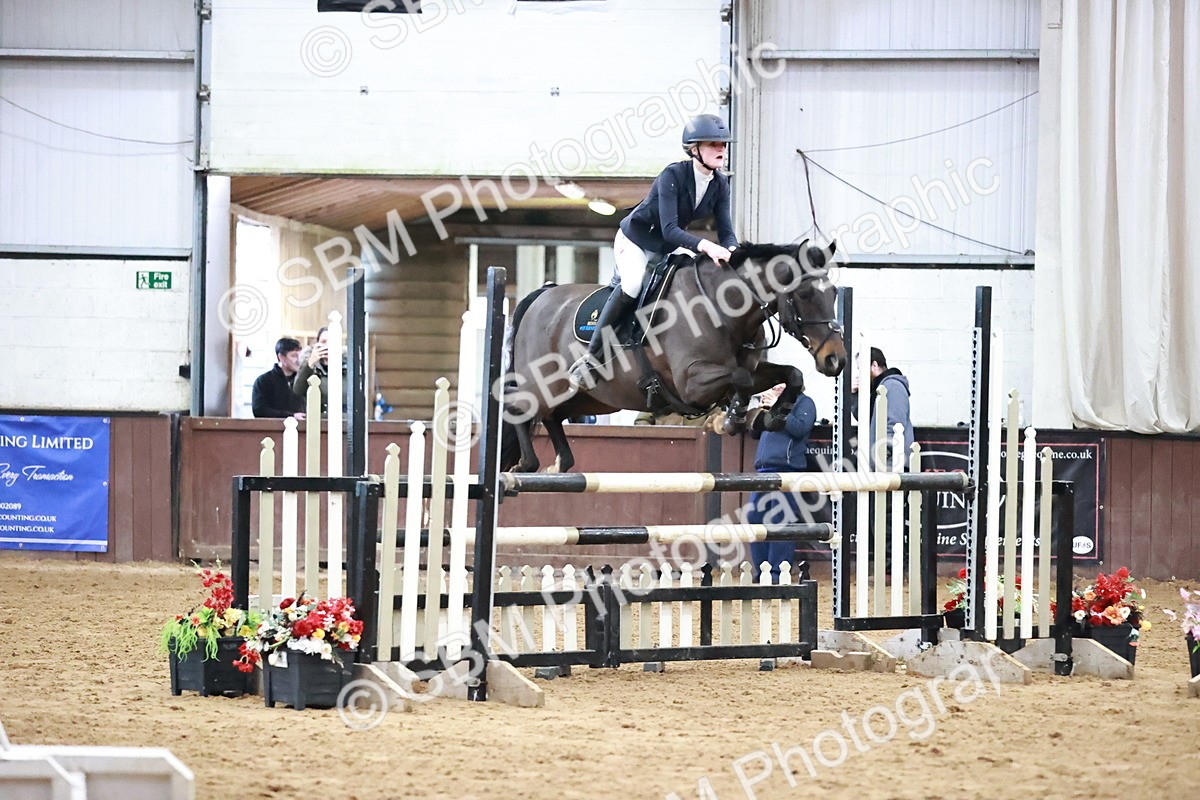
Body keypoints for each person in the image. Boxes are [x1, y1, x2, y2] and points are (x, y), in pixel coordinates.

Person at [567, 113, 740, 390]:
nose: (720, 150)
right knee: (633, 285)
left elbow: (727, 231)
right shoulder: (672, 175)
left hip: (665, 246)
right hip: (635, 239)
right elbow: (671, 228)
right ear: (694, 149)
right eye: (712, 144)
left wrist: (734, 252)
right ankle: (590, 358)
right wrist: (706, 246)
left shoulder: (720, 184)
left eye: (722, 145)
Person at [744, 383, 817, 583]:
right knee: (754, 518)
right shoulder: (774, 405)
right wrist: (760, 411)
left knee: (780, 522)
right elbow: (754, 433)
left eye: (780, 383)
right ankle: (762, 572)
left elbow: (800, 429)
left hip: (787, 471)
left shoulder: (805, 403)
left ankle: (777, 573)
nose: (775, 386)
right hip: (763, 470)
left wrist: (778, 407)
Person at [851, 347, 914, 469]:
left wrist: (884, 456)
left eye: (860, 368)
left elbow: (894, 425)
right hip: (884, 462)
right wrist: (854, 395)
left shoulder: (892, 385)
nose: (859, 374)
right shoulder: (879, 388)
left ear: (874, 365)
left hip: (891, 464)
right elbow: (864, 418)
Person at [252, 338, 306, 419]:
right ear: (281, 357)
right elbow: (259, 410)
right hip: (272, 430)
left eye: (300, 356)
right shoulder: (263, 381)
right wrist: (291, 416)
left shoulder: (303, 380)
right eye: (294, 356)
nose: (299, 360)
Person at [293, 327, 333, 416]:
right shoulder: (310, 366)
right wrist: (310, 363)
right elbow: (297, 390)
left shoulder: (346, 366)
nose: (327, 346)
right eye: (323, 342)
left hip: (342, 420)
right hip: (316, 419)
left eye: (331, 342)